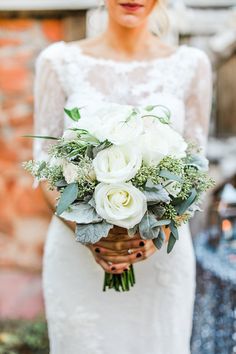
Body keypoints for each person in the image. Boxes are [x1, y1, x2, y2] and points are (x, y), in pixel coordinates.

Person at [33, 1, 212, 353]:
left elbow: (196, 171)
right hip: (77, 254)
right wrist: (93, 236)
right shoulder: (58, 62)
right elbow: (43, 168)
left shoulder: (192, 65)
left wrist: (155, 232)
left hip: (160, 256)